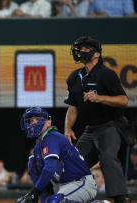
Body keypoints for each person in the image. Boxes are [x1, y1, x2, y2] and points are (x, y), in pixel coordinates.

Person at [64, 36, 130, 202]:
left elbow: (123, 100)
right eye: (80, 48)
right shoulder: (73, 77)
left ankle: (120, 199)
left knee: (107, 157)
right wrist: (67, 128)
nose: (81, 51)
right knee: (73, 161)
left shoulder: (107, 74)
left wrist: (99, 98)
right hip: (90, 129)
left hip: (110, 125)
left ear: (96, 54)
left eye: (86, 48)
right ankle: (75, 197)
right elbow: (72, 107)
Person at [15, 107, 96, 203]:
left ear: (48, 122)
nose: (33, 123)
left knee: (55, 201)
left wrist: (34, 192)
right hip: (61, 187)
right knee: (32, 162)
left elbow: (49, 168)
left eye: (37, 119)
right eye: (31, 120)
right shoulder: (37, 148)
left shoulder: (52, 136)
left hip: (80, 182)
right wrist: (37, 195)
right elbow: (40, 178)